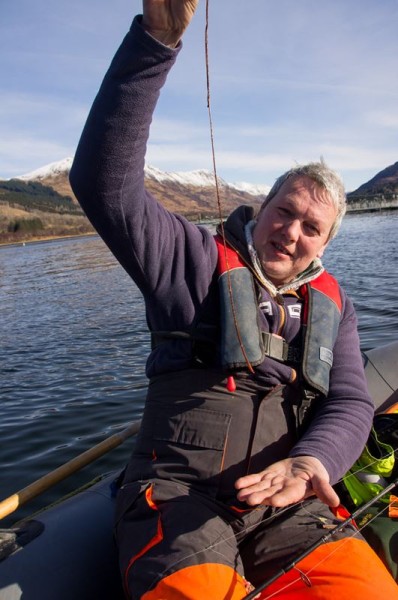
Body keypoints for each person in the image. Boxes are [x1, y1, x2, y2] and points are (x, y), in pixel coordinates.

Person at [69, 1, 398, 598]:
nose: (292, 233)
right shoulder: (188, 259)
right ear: (260, 209)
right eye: (285, 212)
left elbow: (350, 402)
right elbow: (104, 185)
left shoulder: (333, 302)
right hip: (177, 501)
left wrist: (312, 464)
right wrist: (154, 44)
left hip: (288, 504)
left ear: (326, 242)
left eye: (311, 228)